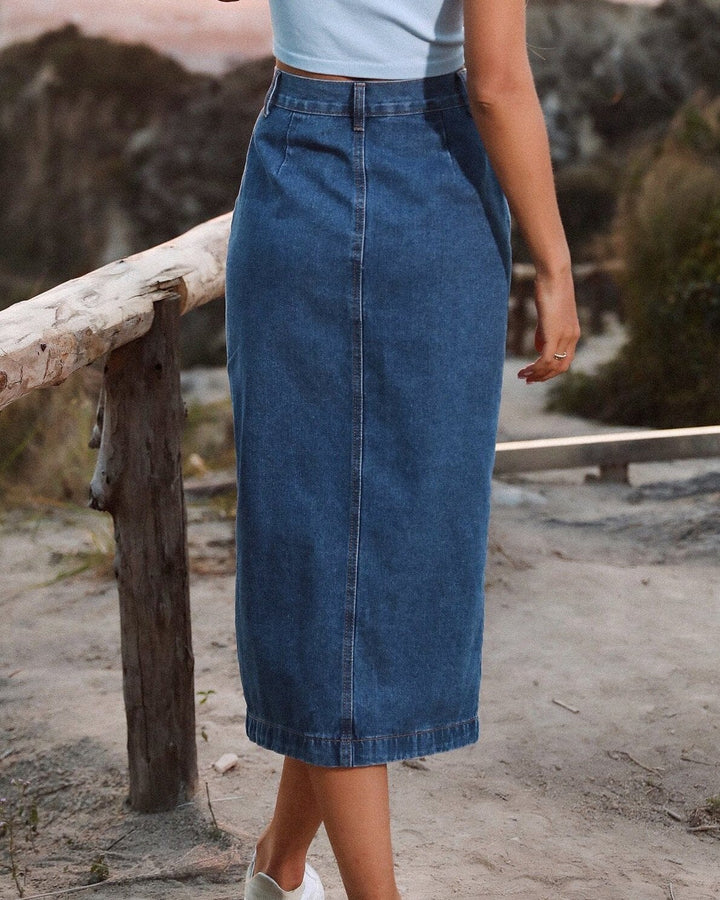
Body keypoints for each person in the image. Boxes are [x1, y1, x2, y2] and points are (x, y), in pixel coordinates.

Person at [220, 0, 580, 897]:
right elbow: (497, 85)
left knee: (327, 559)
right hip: (437, 178)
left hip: (298, 164)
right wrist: (557, 266)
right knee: (377, 554)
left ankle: (279, 864)